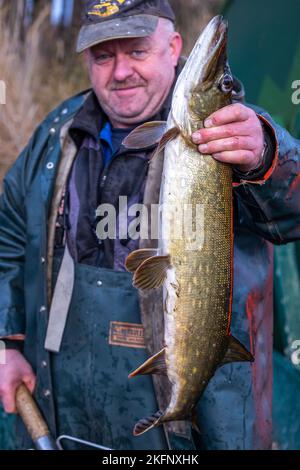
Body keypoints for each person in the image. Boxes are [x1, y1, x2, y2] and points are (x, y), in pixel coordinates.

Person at [0, 0, 299, 450]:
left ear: (173, 46)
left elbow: (291, 215)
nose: (120, 72)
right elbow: (9, 234)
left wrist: (266, 156)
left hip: (205, 422)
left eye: (137, 51)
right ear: (86, 60)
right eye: (104, 56)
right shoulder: (55, 133)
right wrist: (7, 341)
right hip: (69, 415)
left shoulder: (231, 131)